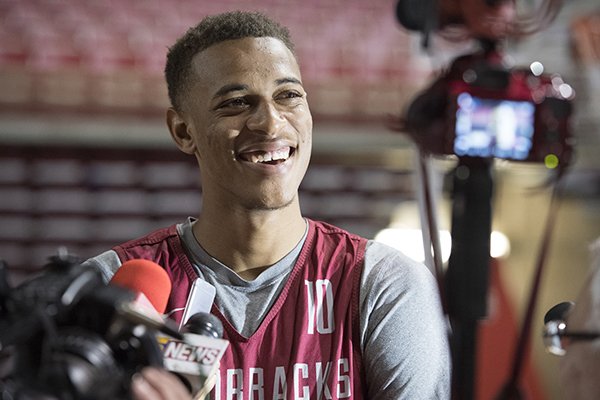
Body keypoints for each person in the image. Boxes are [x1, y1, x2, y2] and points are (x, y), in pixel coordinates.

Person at [84, 11, 451, 399]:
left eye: (288, 95)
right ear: (182, 130)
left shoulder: (382, 283)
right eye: (237, 103)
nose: (271, 124)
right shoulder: (113, 286)